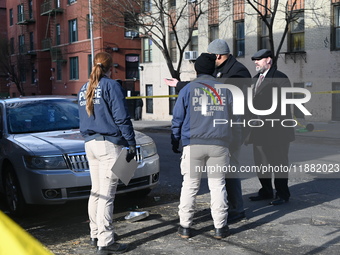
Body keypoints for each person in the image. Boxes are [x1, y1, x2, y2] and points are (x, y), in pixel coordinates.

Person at [165, 39, 251, 223]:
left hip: (225, 133)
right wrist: (181, 85)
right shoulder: (220, 73)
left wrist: (176, 137)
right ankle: (222, 220)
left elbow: (213, 91)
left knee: (222, 177)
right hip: (220, 134)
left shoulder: (239, 72)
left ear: (218, 56)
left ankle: (236, 209)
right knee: (218, 182)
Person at [78, 52, 136, 254]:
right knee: (107, 195)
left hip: (90, 144)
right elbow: (122, 117)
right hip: (108, 144)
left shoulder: (84, 88)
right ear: (111, 67)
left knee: (96, 191)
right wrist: (131, 142)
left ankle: (95, 233)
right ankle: (106, 241)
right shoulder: (112, 86)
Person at [246, 49, 295, 205]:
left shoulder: (281, 79)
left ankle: (282, 194)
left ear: (269, 60)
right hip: (258, 131)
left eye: (259, 59)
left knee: (279, 163)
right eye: (255, 59)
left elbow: (283, 105)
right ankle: (266, 191)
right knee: (261, 163)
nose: (256, 62)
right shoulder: (254, 80)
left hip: (277, 131)